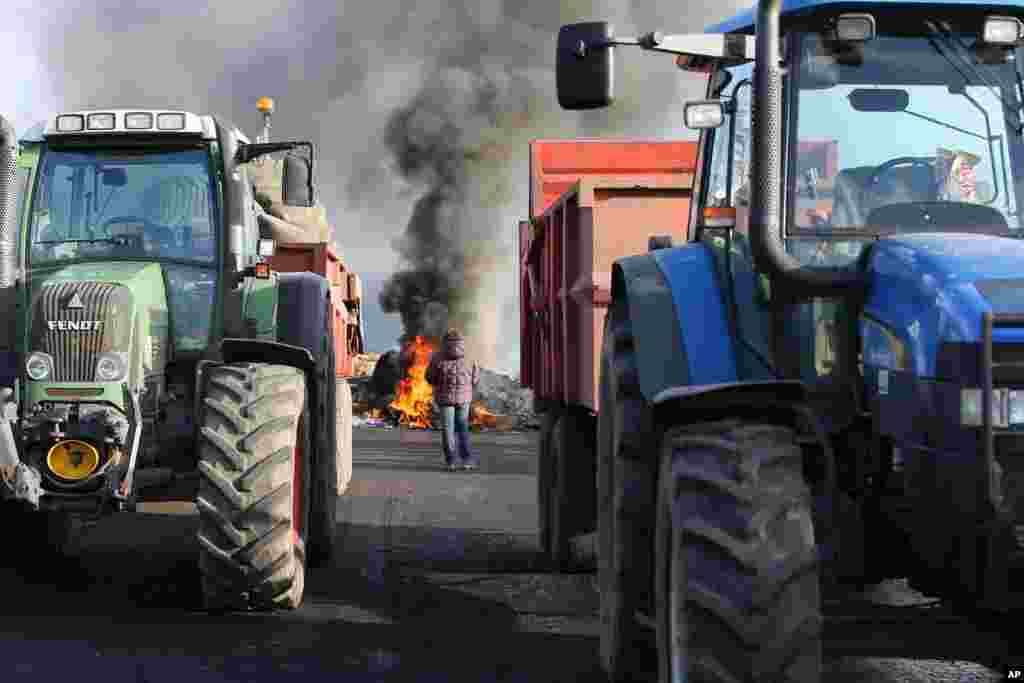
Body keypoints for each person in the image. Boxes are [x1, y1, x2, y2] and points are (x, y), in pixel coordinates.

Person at [425, 328, 480, 471]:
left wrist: (438, 383)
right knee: (463, 428)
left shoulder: (438, 357)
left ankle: (451, 461)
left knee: (448, 430)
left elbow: (430, 377)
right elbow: (475, 379)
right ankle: (467, 460)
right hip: (464, 399)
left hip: (445, 399)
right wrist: (467, 387)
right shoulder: (469, 357)